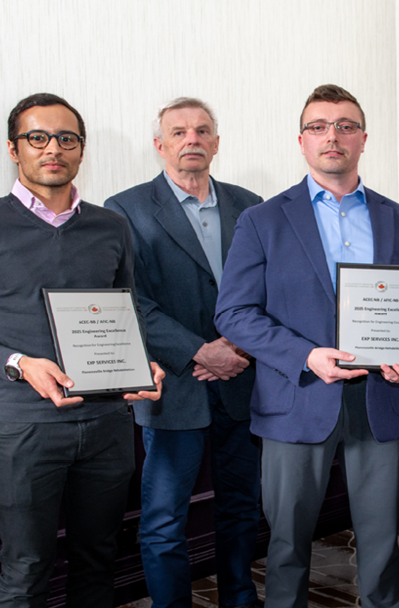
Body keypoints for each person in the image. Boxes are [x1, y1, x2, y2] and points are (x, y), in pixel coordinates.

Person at [0, 93, 165, 608]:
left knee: (99, 562)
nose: (53, 148)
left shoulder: (111, 226)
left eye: (66, 138)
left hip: (107, 426)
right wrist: (17, 363)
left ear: (80, 149)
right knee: (26, 569)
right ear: (14, 148)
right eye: (38, 137)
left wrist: (144, 362)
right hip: (23, 429)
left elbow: (127, 313)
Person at [214, 84, 399, 608]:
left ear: (364, 138)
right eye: (319, 126)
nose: (332, 136)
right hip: (295, 399)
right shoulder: (262, 221)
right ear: (301, 141)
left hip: (379, 399)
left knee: (382, 543)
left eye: (345, 125)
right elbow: (233, 313)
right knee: (287, 544)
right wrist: (305, 354)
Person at [105, 97, 263, 608]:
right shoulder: (124, 210)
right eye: (178, 132)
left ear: (216, 142)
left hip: (242, 381)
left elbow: (271, 288)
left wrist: (236, 347)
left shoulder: (251, 207)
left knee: (242, 508)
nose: (191, 139)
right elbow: (128, 302)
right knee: (164, 520)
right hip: (173, 386)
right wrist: (199, 350)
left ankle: (240, 599)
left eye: (201, 131)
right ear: (160, 145)